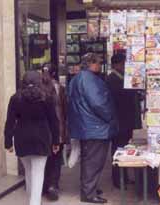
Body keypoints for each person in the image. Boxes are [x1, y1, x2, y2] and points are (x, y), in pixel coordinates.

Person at [68, 53, 118, 204]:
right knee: (93, 161)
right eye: (98, 63)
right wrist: (110, 117)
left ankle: (89, 188)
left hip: (85, 126)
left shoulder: (77, 79)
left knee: (89, 159)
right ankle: (88, 193)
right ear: (90, 64)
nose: (100, 65)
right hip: (95, 127)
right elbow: (98, 103)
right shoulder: (90, 79)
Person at [4, 71, 60, 205]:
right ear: (39, 82)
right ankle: (34, 202)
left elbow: (10, 122)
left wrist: (8, 142)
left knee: (29, 172)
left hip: (21, 138)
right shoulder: (47, 97)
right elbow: (54, 121)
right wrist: (56, 141)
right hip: (42, 138)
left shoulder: (15, 98)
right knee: (38, 173)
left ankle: (32, 200)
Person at [106, 53, 142, 188]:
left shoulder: (122, 77)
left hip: (126, 120)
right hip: (120, 120)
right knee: (118, 149)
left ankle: (125, 177)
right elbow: (118, 100)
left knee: (125, 147)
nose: (124, 66)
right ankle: (118, 179)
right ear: (116, 64)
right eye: (122, 63)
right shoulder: (112, 79)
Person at [41, 63, 68, 201]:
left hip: (42, 131)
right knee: (56, 159)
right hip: (57, 129)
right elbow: (64, 111)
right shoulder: (60, 88)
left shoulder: (38, 88)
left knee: (43, 158)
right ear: (54, 74)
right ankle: (53, 185)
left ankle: (43, 186)